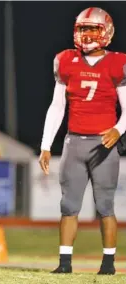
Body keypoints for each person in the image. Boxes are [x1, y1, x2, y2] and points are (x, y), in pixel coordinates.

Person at [39, 7, 126, 275]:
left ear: (106, 32)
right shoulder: (65, 60)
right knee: (68, 206)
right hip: (74, 142)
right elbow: (56, 107)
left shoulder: (117, 62)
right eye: (83, 28)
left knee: (105, 206)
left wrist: (118, 130)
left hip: (104, 145)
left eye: (93, 29)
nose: (87, 34)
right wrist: (45, 145)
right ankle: (65, 263)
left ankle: (108, 264)